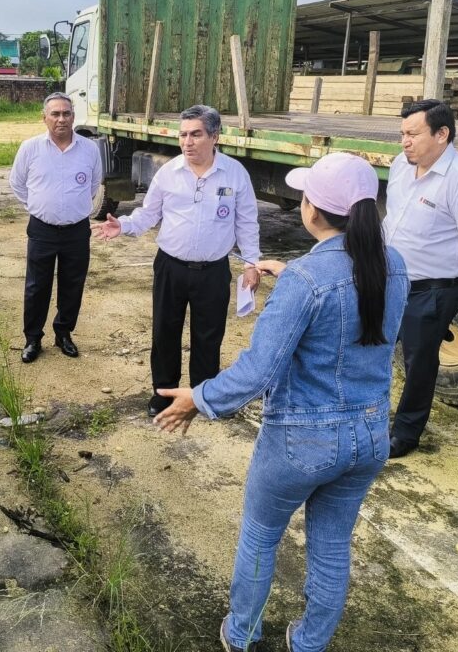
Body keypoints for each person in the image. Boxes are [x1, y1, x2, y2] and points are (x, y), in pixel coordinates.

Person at [153, 152, 409, 652]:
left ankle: (241, 632)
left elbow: (257, 370)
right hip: (369, 434)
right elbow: (348, 280)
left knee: (261, 536)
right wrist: (285, 270)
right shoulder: (393, 265)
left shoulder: (307, 281)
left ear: (311, 210)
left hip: (302, 439)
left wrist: (198, 399)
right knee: (333, 547)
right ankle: (309, 643)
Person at [92, 104, 260, 417]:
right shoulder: (169, 173)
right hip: (171, 267)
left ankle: (202, 395)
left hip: (213, 271)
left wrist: (251, 262)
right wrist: (124, 225)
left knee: (208, 337)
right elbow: (148, 213)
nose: (187, 142)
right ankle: (164, 394)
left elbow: (247, 222)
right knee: (165, 332)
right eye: (183, 135)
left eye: (195, 134)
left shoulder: (234, 174)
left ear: (214, 136)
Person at [384, 99, 458, 458]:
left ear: (442, 134)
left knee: (419, 363)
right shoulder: (402, 166)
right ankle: (367, 416)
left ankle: (405, 433)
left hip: (432, 290)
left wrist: (438, 255)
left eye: (413, 134)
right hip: (392, 280)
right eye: (402, 133)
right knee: (374, 349)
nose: (405, 141)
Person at [9, 92, 103, 363]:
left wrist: (71, 207)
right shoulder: (30, 148)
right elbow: (17, 183)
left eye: (67, 113)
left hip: (76, 230)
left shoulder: (89, 149)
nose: (61, 119)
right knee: (37, 286)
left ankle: (63, 334)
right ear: (44, 118)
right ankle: (33, 338)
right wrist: (39, 207)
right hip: (42, 229)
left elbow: (94, 184)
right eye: (55, 114)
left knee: (72, 284)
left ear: (73, 117)